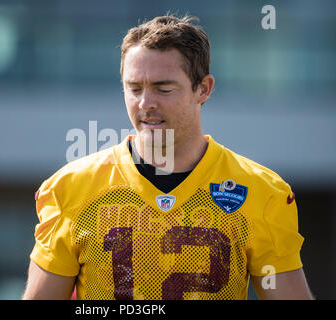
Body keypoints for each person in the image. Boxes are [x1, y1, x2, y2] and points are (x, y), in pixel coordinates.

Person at [22, 15, 313, 300]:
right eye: (134, 89)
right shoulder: (71, 188)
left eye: (163, 89)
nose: (146, 103)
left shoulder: (261, 192)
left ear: (203, 89)